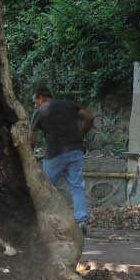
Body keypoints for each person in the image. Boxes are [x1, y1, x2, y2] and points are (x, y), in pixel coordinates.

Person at [30, 88, 94, 229]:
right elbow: (89, 118)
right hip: (75, 151)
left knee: (46, 187)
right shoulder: (69, 104)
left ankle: (43, 221)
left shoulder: (39, 112)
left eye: (35, 102)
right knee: (77, 187)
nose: (35, 106)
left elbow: (32, 137)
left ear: (41, 98)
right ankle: (82, 220)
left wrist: (29, 154)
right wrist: (81, 135)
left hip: (54, 153)